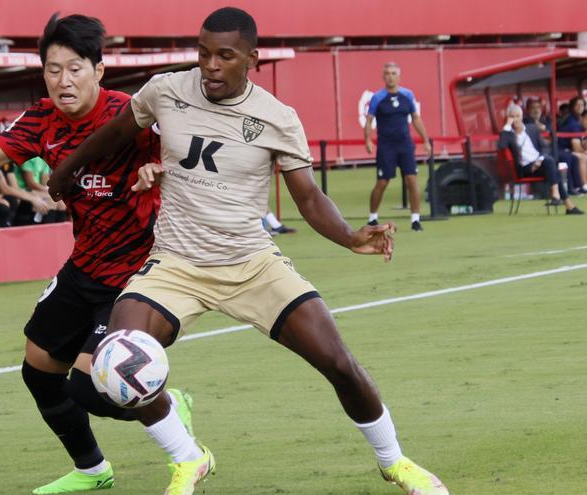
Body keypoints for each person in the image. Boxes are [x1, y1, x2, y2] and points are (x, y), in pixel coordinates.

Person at [49, 7, 450, 495]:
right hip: (175, 265)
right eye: (203, 54)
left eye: (225, 56)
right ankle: (188, 456)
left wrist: (348, 235)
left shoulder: (278, 118)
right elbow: (114, 133)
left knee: (340, 363)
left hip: (252, 264)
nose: (210, 66)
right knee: (114, 363)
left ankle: (395, 462)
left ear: (251, 59)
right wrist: (66, 168)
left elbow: (308, 196)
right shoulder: (165, 90)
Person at [0, 13, 198, 495]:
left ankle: (166, 401)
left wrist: (156, 172)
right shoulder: (41, 118)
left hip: (138, 275)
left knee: (90, 385)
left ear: (99, 70)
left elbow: (182, 160)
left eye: (75, 67)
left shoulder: (131, 112)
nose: (64, 80)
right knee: (38, 369)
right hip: (84, 267)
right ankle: (92, 470)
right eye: (53, 69)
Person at [363, 62, 431, 231]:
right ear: (383, 76)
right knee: (382, 182)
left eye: (394, 73)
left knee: (411, 180)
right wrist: (368, 140)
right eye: (387, 73)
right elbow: (369, 121)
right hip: (386, 145)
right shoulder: (378, 98)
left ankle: (415, 220)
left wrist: (425, 140)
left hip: (405, 144)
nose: (391, 76)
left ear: (399, 76)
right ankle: (372, 218)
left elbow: (416, 118)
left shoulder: (407, 95)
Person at [498, 105, 583, 214]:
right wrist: (507, 125)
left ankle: (563, 201)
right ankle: (562, 200)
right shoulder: (508, 134)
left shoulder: (532, 128)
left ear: (522, 116)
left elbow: (544, 147)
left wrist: (539, 160)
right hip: (525, 169)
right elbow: (501, 146)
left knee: (550, 164)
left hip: (540, 164)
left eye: (517, 116)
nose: (515, 119)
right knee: (551, 164)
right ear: (508, 118)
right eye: (512, 117)